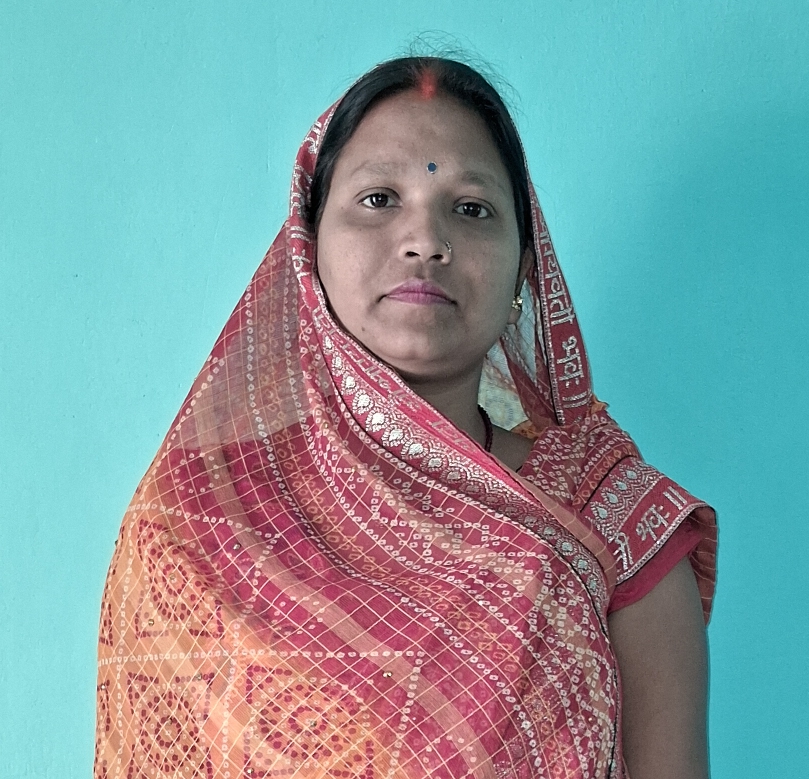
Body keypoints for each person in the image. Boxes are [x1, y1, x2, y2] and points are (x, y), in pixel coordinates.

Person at [95, 56, 717, 779]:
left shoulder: (611, 521)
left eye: (471, 208)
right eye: (379, 198)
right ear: (307, 247)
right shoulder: (200, 518)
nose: (425, 240)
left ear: (524, 271)